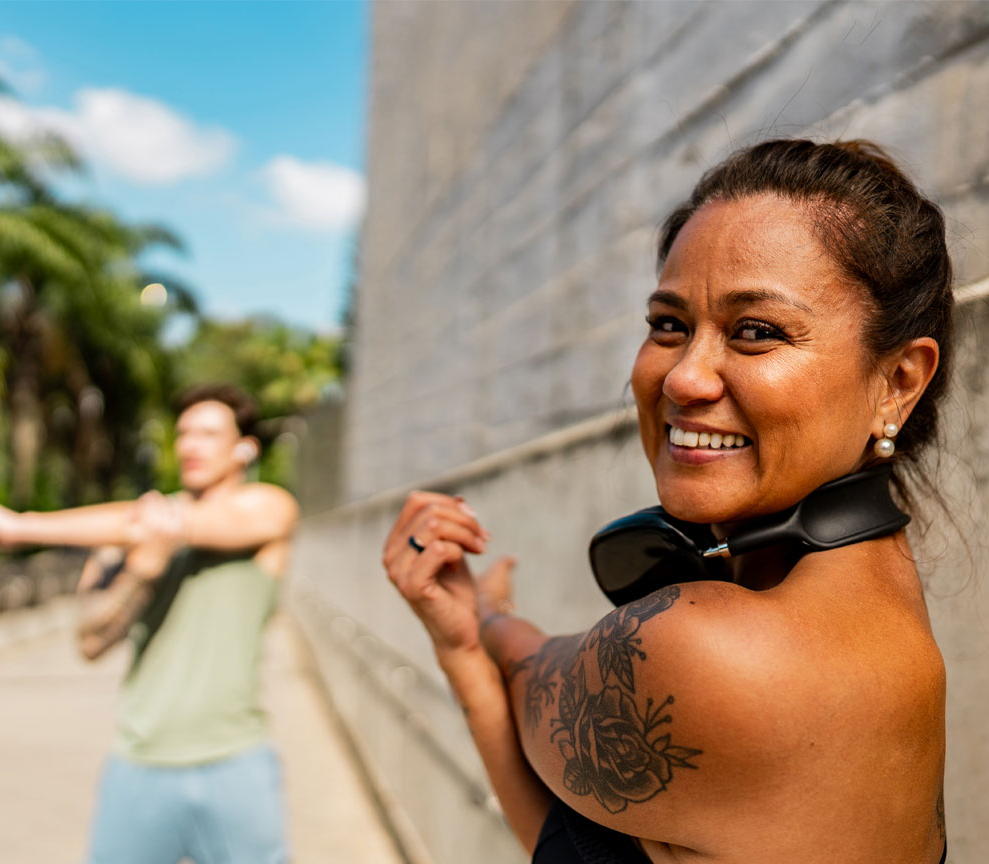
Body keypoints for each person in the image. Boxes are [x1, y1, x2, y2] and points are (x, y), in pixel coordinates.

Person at [382, 139, 952, 863]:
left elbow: (530, 667)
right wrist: (461, 647)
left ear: (899, 380)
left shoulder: (705, 652)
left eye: (756, 332)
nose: (684, 378)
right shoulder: (887, 618)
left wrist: (487, 623)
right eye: (669, 325)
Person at [0, 383, 299, 864]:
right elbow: (90, 643)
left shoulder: (269, 507)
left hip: (236, 760)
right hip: (141, 760)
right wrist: (141, 572)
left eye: (208, 433)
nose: (189, 445)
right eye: (183, 433)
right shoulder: (128, 528)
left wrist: (23, 527)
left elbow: (162, 523)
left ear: (245, 447)